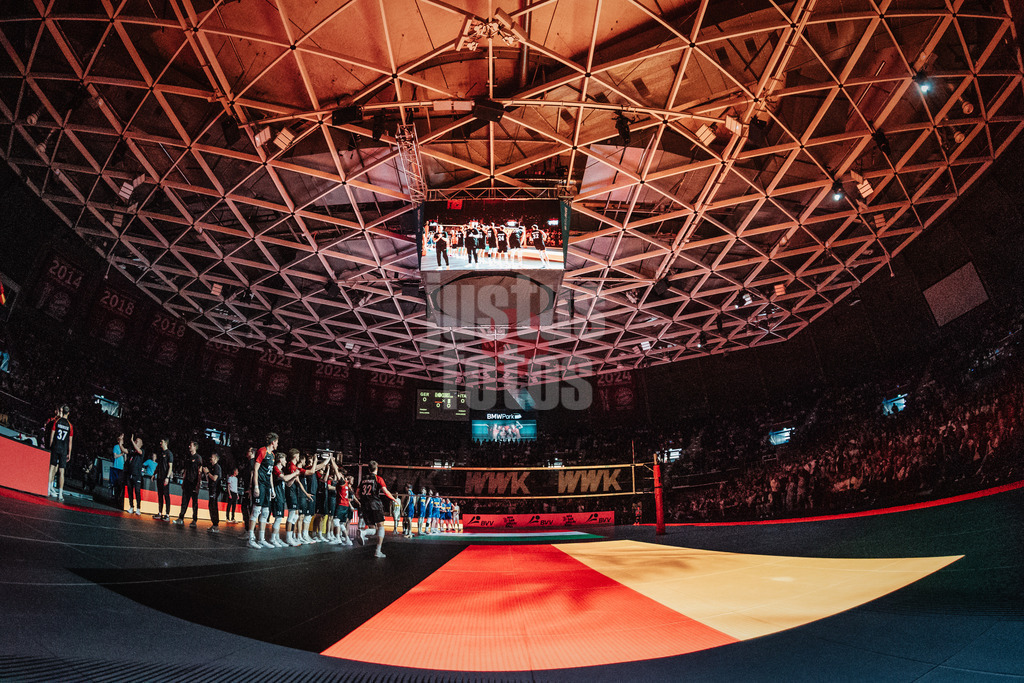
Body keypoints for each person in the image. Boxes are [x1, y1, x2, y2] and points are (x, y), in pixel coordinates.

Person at [355, 460, 397, 558]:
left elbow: (357, 493)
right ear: (377, 469)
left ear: (369, 469)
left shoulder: (363, 479)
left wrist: (363, 499)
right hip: (375, 504)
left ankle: (364, 532)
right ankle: (378, 551)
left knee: (373, 529)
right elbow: (386, 492)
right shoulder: (378, 478)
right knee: (381, 527)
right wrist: (394, 499)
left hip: (365, 505)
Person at [247, 433, 278, 549]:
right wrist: (255, 486)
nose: (277, 444)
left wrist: (272, 488)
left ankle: (261, 539)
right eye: (277, 442)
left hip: (267, 486)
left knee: (265, 512)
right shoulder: (262, 451)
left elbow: (270, 474)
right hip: (260, 484)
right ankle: (250, 539)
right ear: (273, 442)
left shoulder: (273, 455)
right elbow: (255, 470)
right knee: (256, 511)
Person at [46, 405, 72, 502]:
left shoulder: (57, 421)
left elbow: (52, 435)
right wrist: (69, 452)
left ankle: (48, 489)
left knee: (52, 468)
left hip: (56, 446)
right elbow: (70, 441)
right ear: (68, 413)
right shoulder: (70, 425)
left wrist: (51, 446)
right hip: (63, 449)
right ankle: (60, 494)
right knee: (61, 471)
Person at [175, 441, 202, 528]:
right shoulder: (188, 457)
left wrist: (197, 485)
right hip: (187, 483)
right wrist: (183, 482)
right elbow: (186, 471)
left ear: (195, 447)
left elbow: (199, 472)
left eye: (191, 445)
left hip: (194, 484)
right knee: (184, 501)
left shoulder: (198, 458)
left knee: (194, 503)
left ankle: (194, 520)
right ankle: (181, 518)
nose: (189, 446)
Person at [153, 438, 174, 521]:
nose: (160, 443)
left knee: (166, 495)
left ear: (165, 443)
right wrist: (154, 474)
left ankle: (167, 514)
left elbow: (170, 467)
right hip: (159, 477)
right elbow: (158, 465)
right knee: (160, 495)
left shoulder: (169, 454)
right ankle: (160, 513)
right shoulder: (160, 453)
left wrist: (167, 477)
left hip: (165, 478)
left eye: (161, 442)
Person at [124, 435, 145, 515]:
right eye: (135, 441)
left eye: (137, 441)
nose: (135, 442)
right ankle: (131, 507)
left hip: (137, 475)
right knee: (130, 491)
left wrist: (132, 441)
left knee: (137, 491)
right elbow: (124, 450)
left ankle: (138, 508)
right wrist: (120, 442)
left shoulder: (142, 451)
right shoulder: (132, 451)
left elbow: (139, 451)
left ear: (141, 444)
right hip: (130, 474)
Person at [203, 452, 222, 533]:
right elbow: (209, 479)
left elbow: (214, 478)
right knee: (211, 506)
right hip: (211, 489)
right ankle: (214, 524)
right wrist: (206, 474)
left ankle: (216, 526)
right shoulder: (212, 467)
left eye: (212, 457)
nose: (211, 458)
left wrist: (208, 472)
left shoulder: (217, 467)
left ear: (216, 458)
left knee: (213, 506)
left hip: (215, 490)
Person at [110, 433, 125, 508]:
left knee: (120, 485)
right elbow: (115, 456)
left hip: (121, 468)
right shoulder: (116, 447)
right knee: (116, 484)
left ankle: (118, 499)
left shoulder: (123, 448)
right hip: (116, 467)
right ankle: (115, 498)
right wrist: (121, 454)